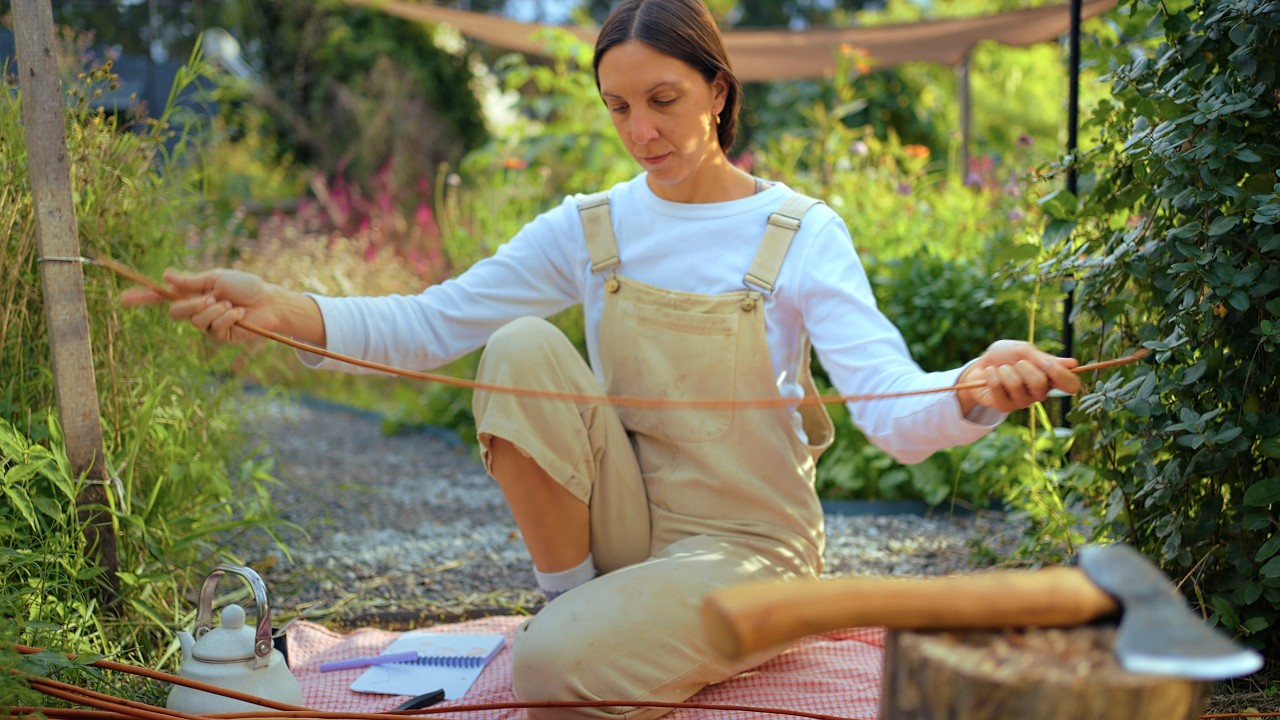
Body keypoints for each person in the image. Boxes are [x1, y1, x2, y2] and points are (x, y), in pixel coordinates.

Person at [123, 0, 1081, 716]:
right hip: (627, 533)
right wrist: (278, 307)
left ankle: (581, 643)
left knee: (544, 670)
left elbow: (891, 414)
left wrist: (973, 389)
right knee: (521, 345)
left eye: (663, 100)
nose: (641, 132)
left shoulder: (798, 231)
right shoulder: (592, 227)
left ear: (718, 88)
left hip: (750, 552)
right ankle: (577, 611)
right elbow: (431, 325)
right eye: (618, 107)